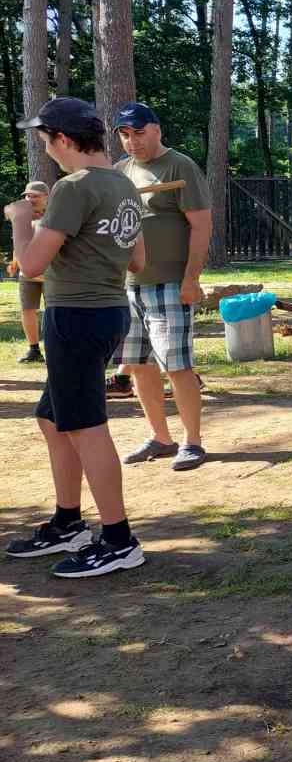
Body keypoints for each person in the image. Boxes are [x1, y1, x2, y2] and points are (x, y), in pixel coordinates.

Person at [4, 97, 149, 578]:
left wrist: (20, 220)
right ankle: (68, 523)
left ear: (64, 139)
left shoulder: (73, 187)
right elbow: (138, 260)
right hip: (108, 312)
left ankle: (119, 540)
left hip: (76, 317)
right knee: (52, 419)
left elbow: (30, 265)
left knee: (86, 427)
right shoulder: (123, 185)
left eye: (47, 140)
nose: (47, 150)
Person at [109, 102, 213, 473]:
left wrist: (191, 278)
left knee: (177, 366)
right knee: (139, 364)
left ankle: (192, 442)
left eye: (138, 133)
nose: (132, 141)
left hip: (170, 283)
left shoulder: (179, 166)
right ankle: (160, 438)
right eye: (125, 134)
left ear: (156, 129)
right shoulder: (121, 171)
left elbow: (201, 225)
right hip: (129, 285)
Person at [13, 180, 51, 363]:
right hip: (27, 273)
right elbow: (18, 241)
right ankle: (34, 350)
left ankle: (55, 348)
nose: (30, 199)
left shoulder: (55, 216)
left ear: (46, 197)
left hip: (51, 274)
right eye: (27, 196)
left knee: (54, 311)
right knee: (27, 309)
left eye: (34, 196)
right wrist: (15, 261)